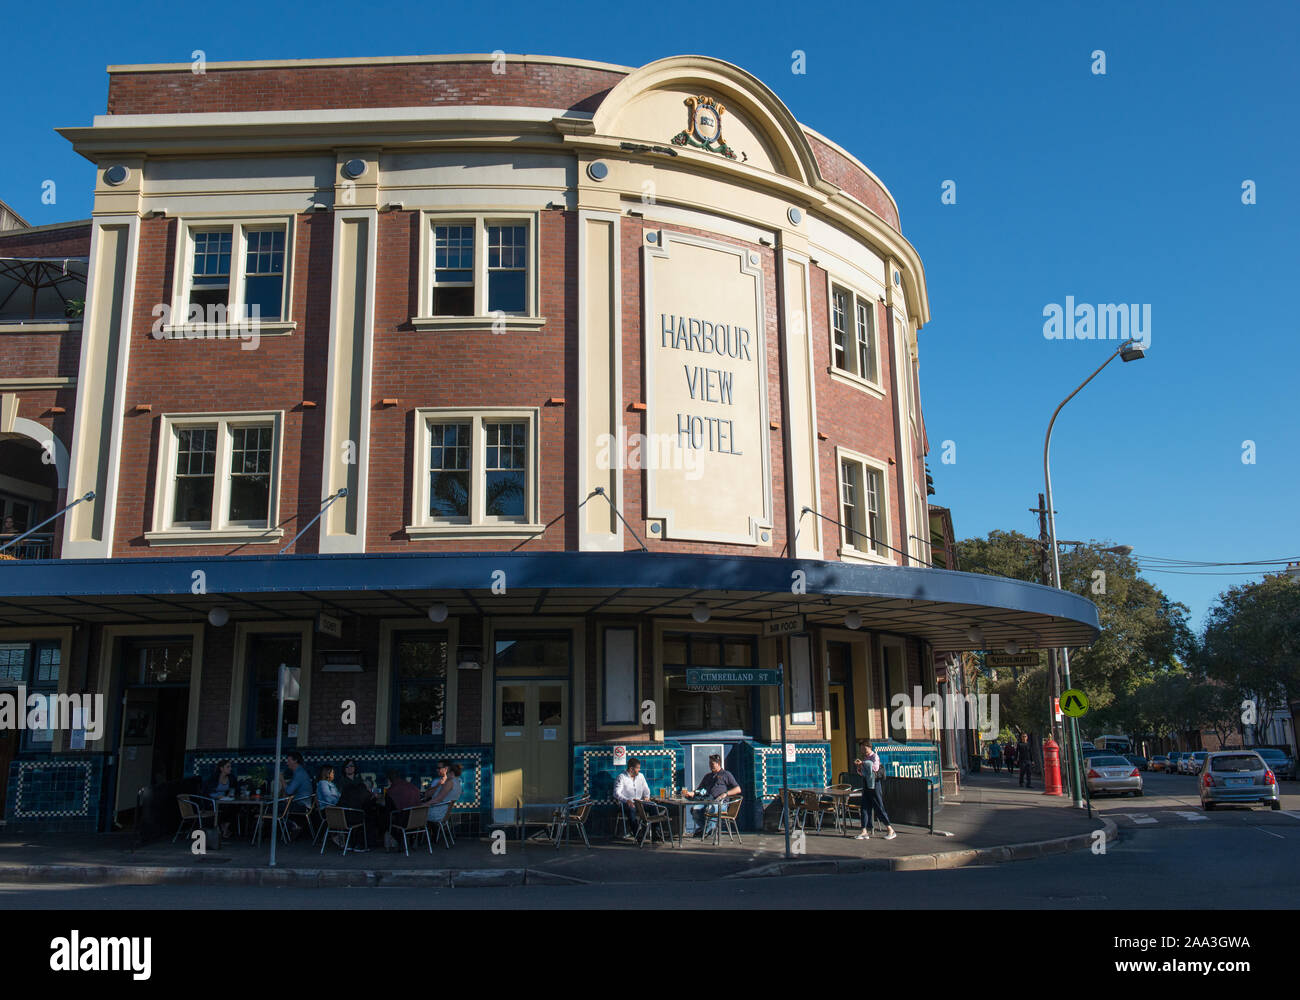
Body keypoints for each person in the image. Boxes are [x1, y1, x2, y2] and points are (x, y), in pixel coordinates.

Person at [683, 754, 741, 839]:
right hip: (707, 800)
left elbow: (738, 789)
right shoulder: (708, 776)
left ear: (718, 763)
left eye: (712, 764)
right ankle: (707, 830)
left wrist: (726, 794)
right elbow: (699, 789)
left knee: (711, 808)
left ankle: (706, 831)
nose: (710, 766)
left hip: (720, 803)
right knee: (695, 809)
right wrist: (692, 793)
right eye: (709, 763)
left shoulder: (726, 774)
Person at [854, 740, 897, 840]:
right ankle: (864, 831)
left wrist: (863, 763)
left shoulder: (874, 756)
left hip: (874, 785)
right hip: (866, 784)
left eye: (863, 747)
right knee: (864, 807)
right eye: (861, 748)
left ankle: (890, 829)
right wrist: (859, 767)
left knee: (878, 807)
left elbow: (875, 768)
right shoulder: (865, 758)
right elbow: (863, 773)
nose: (862, 750)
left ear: (869, 747)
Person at [335, 758, 375, 851]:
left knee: (370, 814)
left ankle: (361, 842)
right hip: (349, 812)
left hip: (357, 808)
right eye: (347, 766)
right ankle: (361, 843)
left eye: (352, 766)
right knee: (368, 817)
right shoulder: (343, 782)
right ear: (344, 769)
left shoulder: (359, 780)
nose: (350, 768)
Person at [612, 757, 653, 840]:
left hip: (639, 802)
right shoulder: (621, 777)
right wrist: (627, 800)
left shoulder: (641, 776)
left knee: (653, 807)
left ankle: (656, 834)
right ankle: (637, 834)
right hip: (626, 803)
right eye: (637, 768)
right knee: (632, 809)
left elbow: (646, 789)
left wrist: (646, 796)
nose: (639, 770)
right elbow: (616, 793)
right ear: (631, 769)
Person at [382, 769, 423, 849]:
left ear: (389, 780)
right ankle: (412, 839)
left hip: (404, 822)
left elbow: (388, 810)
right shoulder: (413, 787)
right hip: (418, 820)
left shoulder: (391, 791)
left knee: (385, 819)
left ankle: (398, 840)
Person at [282, 750, 314, 838]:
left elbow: (289, 791)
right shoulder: (299, 772)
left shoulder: (299, 773)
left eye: (289, 761)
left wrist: (281, 779)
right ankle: (293, 826)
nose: (287, 763)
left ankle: (294, 826)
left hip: (301, 805)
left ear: (295, 761)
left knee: (273, 809)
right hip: (301, 803)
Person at [203, 759, 237, 837]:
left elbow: (233, 789)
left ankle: (225, 826)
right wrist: (218, 796)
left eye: (230, 767)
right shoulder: (214, 778)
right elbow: (208, 791)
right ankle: (224, 828)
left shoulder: (231, 778)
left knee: (234, 806)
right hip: (213, 801)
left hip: (226, 800)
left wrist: (230, 794)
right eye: (228, 767)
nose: (230, 768)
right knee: (225, 808)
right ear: (221, 769)